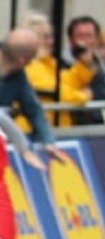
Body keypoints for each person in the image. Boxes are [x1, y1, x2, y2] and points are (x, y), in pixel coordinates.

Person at [19, 11, 96, 128]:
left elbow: (68, 81)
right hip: (33, 131)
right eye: (46, 38)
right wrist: (84, 96)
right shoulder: (29, 66)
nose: (51, 42)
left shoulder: (48, 63)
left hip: (52, 129)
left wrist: (84, 65)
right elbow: (61, 92)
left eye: (51, 37)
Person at [0, 28, 62, 160]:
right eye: (32, 56)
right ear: (22, 60)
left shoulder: (18, 77)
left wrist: (47, 140)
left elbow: (33, 109)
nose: (33, 62)